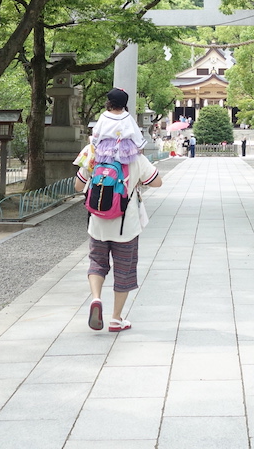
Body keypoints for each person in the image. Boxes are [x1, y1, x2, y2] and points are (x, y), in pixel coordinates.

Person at [74, 88, 161, 333]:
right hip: (126, 224)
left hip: (98, 222)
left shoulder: (92, 152)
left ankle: (95, 298)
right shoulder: (134, 156)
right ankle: (115, 318)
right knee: (124, 270)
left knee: (97, 263)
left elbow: (78, 184)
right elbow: (157, 181)